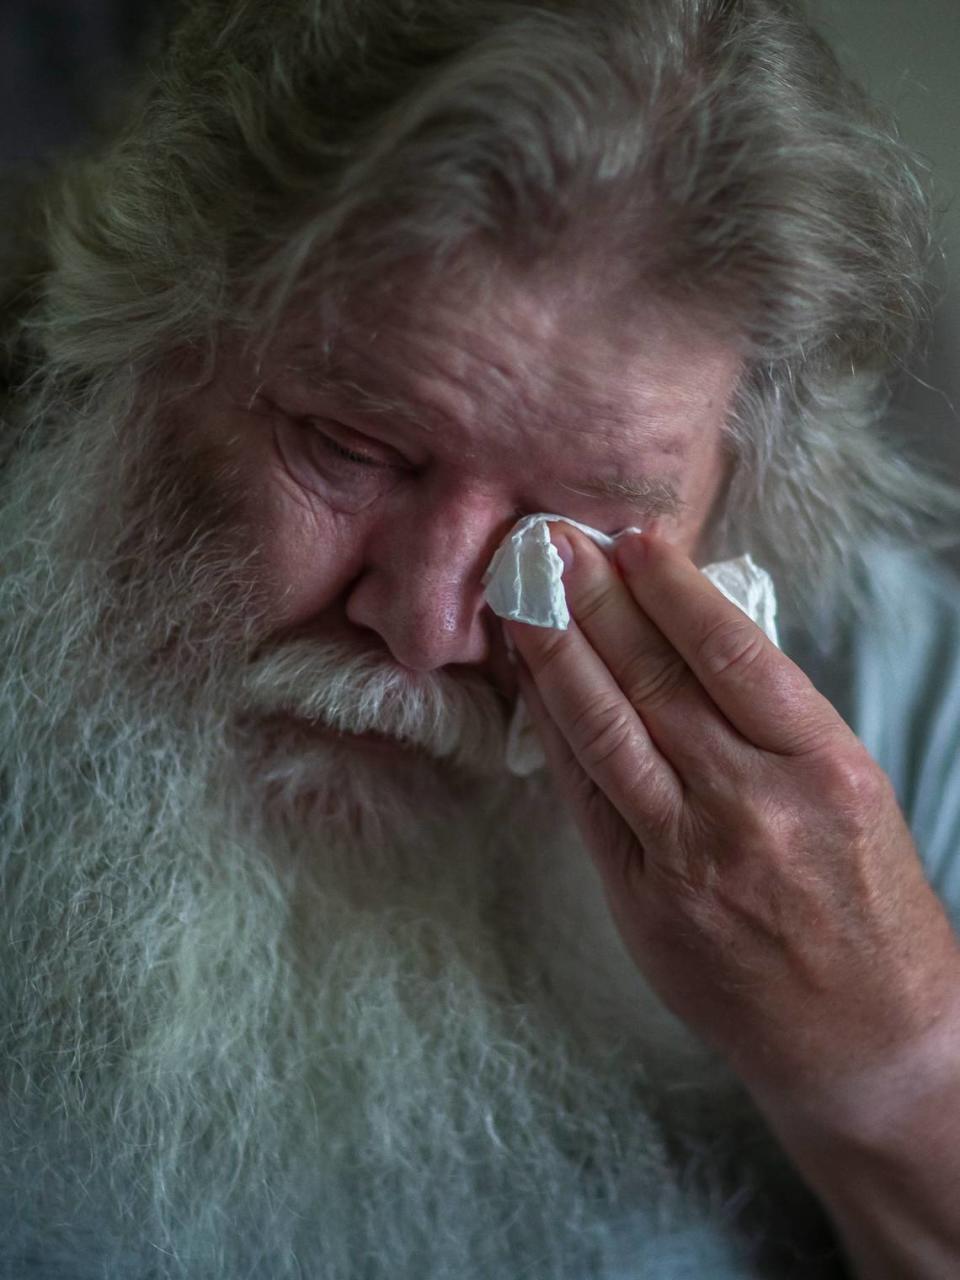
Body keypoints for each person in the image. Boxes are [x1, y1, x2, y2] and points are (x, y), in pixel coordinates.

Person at [1, 0, 958, 1276]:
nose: (428, 624)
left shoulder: (900, 708)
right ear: (134, 345)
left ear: (745, 509)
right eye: (351, 449)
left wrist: (890, 1062)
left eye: (581, 523)